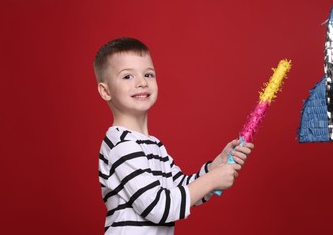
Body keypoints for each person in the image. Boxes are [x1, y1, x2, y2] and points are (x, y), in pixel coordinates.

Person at [94, 37, 253, 235]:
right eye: (127, 76)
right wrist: (212, 180)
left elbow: (180, 191)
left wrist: (215, 166)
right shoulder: (122, 145)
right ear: (105, 91)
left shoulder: (154, 145)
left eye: (149, 74)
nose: (142, 82)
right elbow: (160, 209)